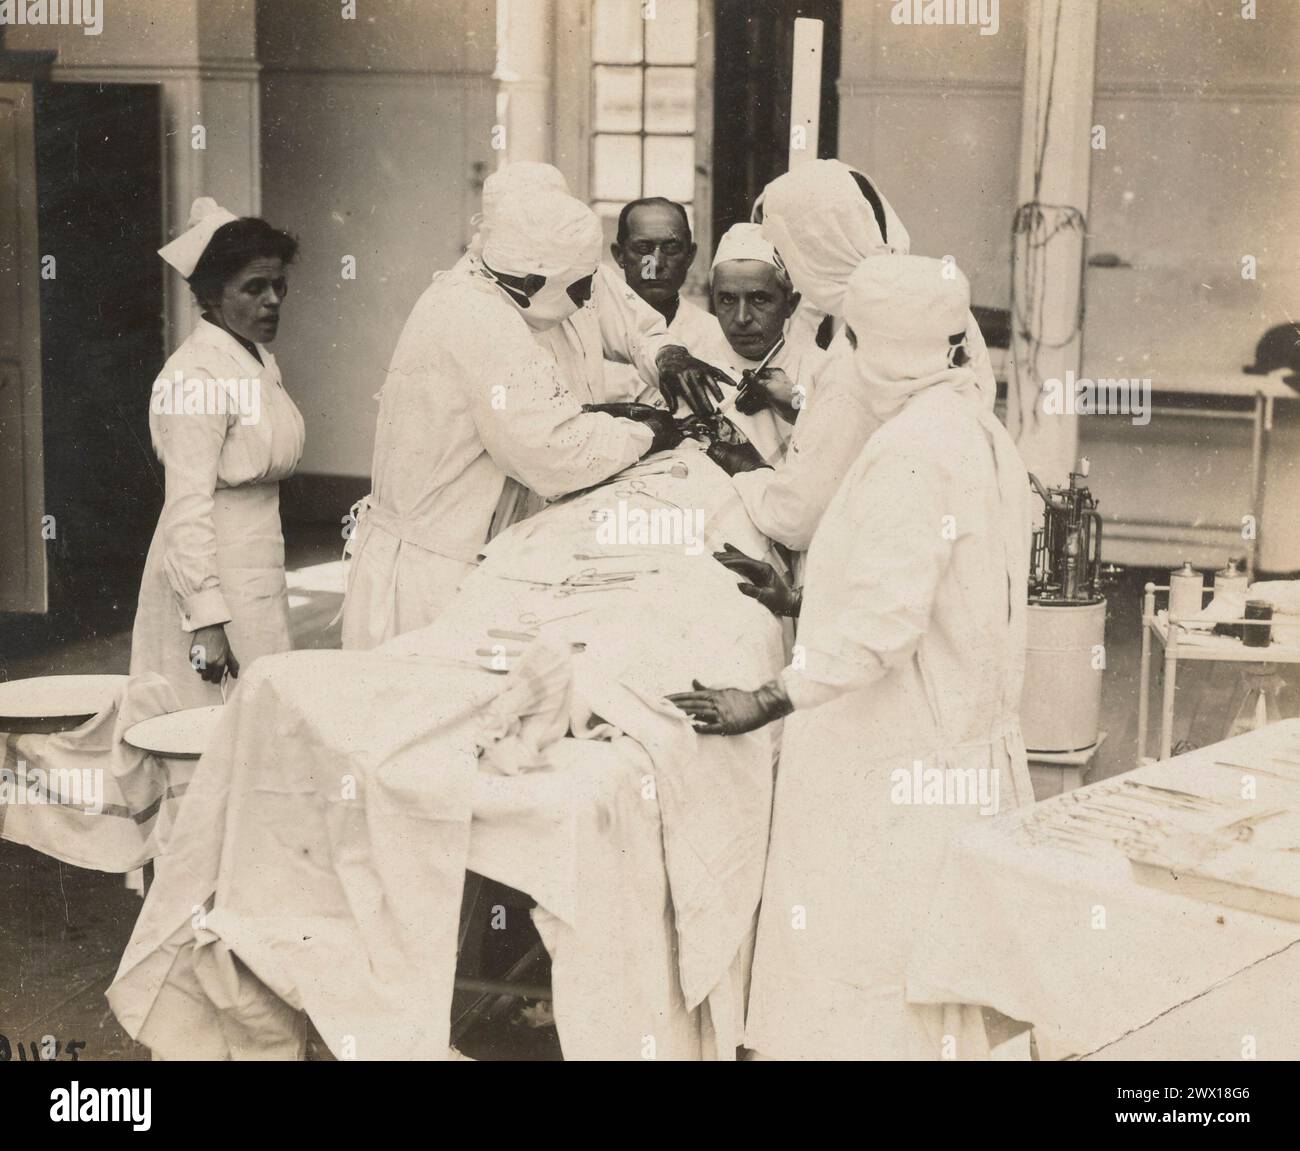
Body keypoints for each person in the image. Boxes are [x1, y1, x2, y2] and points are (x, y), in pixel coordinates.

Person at [668, 255, 1034, 1060]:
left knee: (867, 989)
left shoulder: (911, 451)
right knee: (923, 991)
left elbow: (883, 627)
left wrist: (761, 699)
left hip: (890, 759)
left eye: (845, 337)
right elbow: (950, 591)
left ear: (874, 346)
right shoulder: (973, 428)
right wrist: (804, 599)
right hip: (946, 746)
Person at [340, 189, 681, 650]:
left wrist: (608, 415)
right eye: (579, 289)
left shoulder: (477, 289)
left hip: (435, 554)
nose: (584, 303)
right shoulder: (483, 320)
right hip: (432, 574)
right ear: (532, 282)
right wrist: (647, 431)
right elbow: (553, 453)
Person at [714, 160, 998, 553]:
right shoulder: (930, 301)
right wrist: (803, 408)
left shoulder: (858, 352)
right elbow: (884, 422)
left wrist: (744, 464)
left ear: (818, 248)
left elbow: (795, 518)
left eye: (788, 251)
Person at [129, 198, 305, 708]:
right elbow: (186, 506)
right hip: (209, 573)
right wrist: (206, 622)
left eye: (278, 286)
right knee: (208, 718)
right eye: (255, 287)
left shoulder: (254, 361)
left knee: (258, 714)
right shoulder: (197, 376)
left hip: (256, 561)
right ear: (211, 294)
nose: (273, 300)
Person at [688, 222, 826, 465]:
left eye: (759, 298)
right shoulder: (695, 368)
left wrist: (797, 404)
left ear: (790, 304)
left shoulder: (820, 370)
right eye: (728, 299)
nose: (742, 318)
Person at [610, 196, 719, 355]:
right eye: (643, 248)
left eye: (671, 248)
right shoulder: (592, 329)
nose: (656, 264)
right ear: (620, 255)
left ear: (690, 256)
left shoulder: (715, 335)